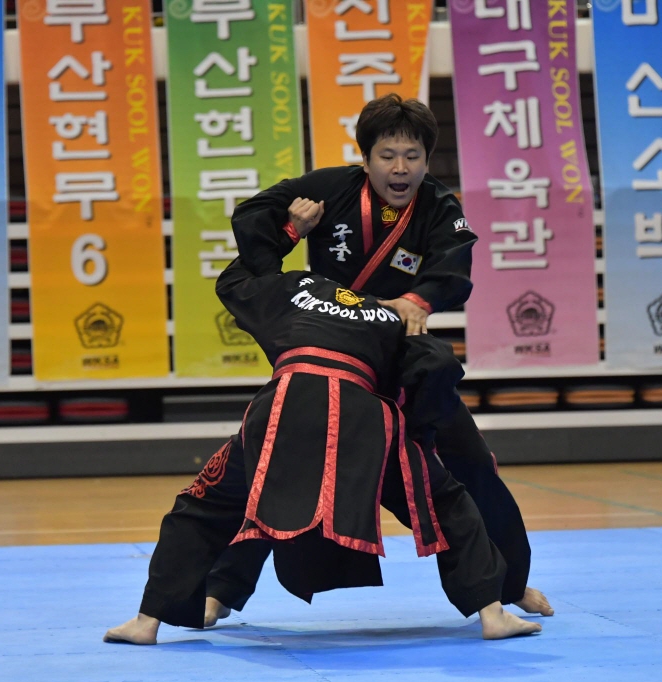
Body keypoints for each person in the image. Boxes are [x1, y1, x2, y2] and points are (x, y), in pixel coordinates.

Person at [204, 93, 551, 626]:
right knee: (276, 464)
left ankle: (509, 583)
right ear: (366, 159)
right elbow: (251, 218)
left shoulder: (440, 207)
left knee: (471, 463)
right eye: (387, 155)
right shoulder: (331, 189)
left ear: (427, 160)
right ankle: (220, 590)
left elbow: (454, 265)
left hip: (402, 358)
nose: (400, 168)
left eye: (412, 156)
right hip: (332, 356)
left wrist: (417, 300)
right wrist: (291, 231)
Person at [103, 256, 543, 643]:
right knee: (445, 502)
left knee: (202, 504)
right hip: (363, 418)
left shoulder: (295, 289)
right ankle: (492, 613)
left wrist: (287, 231)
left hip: (283, 409)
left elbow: (234, 281)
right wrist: (420, 434)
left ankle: (148, 621)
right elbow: (438, 364)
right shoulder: (393, 316)